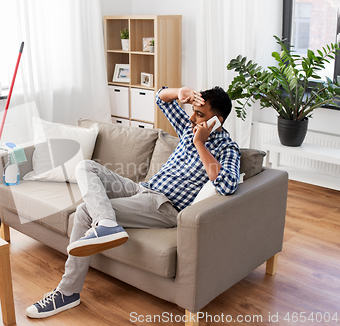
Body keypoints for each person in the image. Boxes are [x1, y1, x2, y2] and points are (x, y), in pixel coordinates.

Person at [26, 86, 241, 318]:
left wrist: (201, 143)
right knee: (85, 166)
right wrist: (180, 92)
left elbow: (227, 183)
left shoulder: (226, 148)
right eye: (192, 111)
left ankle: (67, 292)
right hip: (142, 189)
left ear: (216, 121)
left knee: (84, 211)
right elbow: (161, 99)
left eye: (199, 114)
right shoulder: (188, 129)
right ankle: (107, 223)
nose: (191, 117)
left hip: (164, 206)